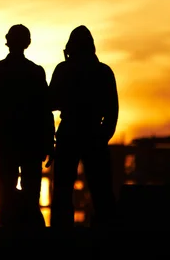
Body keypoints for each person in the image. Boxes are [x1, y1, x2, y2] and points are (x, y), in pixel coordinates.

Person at [0, 24, 55, 227]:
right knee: (22, 185)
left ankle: (13, 219)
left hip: (11, 141)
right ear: (27, 43)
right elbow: (46, 111)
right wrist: (48, 141)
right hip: (26, 142)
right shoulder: (34, 72)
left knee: (5, 182)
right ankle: (19, 219)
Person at [48, 25, 119, 229]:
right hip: (94, 133)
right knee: (101, 190)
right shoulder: (103, 71)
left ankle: (62, 234)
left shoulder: (64, 69)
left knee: (63, 189)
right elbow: (112, 111)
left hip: (69, 132)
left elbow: (50, 102)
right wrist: (103, 135)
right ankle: (105, 232)